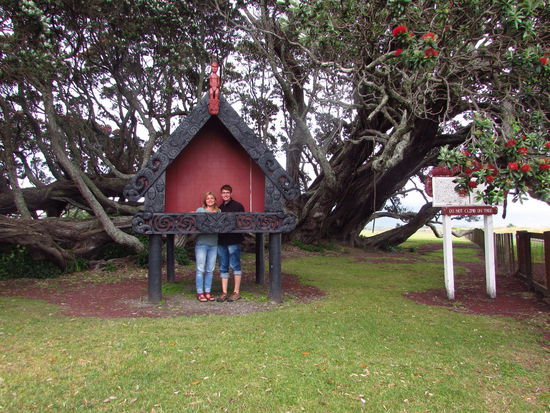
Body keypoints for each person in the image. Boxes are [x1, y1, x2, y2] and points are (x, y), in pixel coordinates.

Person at [216, 184, 245, 302]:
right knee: (223, 266)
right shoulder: (219, 208)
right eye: (223, 193)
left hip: (234, 240)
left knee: (235, 265)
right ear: (221, 194)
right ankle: (224, 292)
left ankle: (236, 292)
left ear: (231, 193)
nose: (225, 195)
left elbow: (242, 223)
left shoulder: (238, 206)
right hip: (222, 241)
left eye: (227, 193)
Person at [194, 191, 220, 302]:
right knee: (200, 269)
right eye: (208, 198)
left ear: (215, 200)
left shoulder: (219, 211)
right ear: (205, 200)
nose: (210, 200)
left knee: (210, 269)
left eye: (212, 198)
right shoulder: (200, 210)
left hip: (214, 243)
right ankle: (200, 292)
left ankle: (208, 291)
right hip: (202, 243)